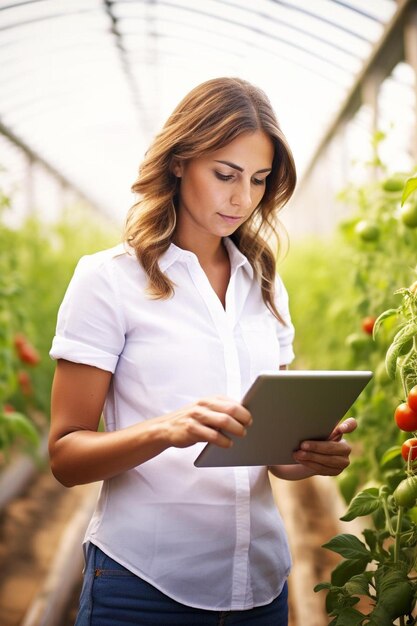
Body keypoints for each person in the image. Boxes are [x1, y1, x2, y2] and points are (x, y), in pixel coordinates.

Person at [48, 77, 356, 626]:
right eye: (225, 174)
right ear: (179, 161)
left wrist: (308, 455)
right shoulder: (109, 280)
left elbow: (273, 457)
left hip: (259, 587)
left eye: (259, 181)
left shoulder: (263, 283)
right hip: (141, 587)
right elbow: (65, 457)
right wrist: (167, 428)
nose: (243, 199)